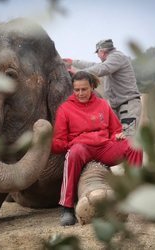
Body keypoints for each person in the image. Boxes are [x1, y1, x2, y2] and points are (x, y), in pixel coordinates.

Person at [51, 71, 143, 226]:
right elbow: (60, 140)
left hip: (104, 148)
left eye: (84, 89)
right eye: (77, 90)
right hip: (81, 148)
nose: (80, 93)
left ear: (92, 87)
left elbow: (115, 130)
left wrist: (117, 136)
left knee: (135, 146)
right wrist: (51, 144)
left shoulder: (102, 105)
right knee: (73, 154)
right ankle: (66, 208)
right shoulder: (65, 109)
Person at [63, 39, 141, 137]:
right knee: (116, 138)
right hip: (118, 106)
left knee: (128, 137)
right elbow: (94, 65)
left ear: (102, 52)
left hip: (128, 105)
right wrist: (73, 62)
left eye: (97, 53)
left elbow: (101, 69)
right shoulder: (111, 60)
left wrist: (79, 74)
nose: (98, 56)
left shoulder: (117, 57)